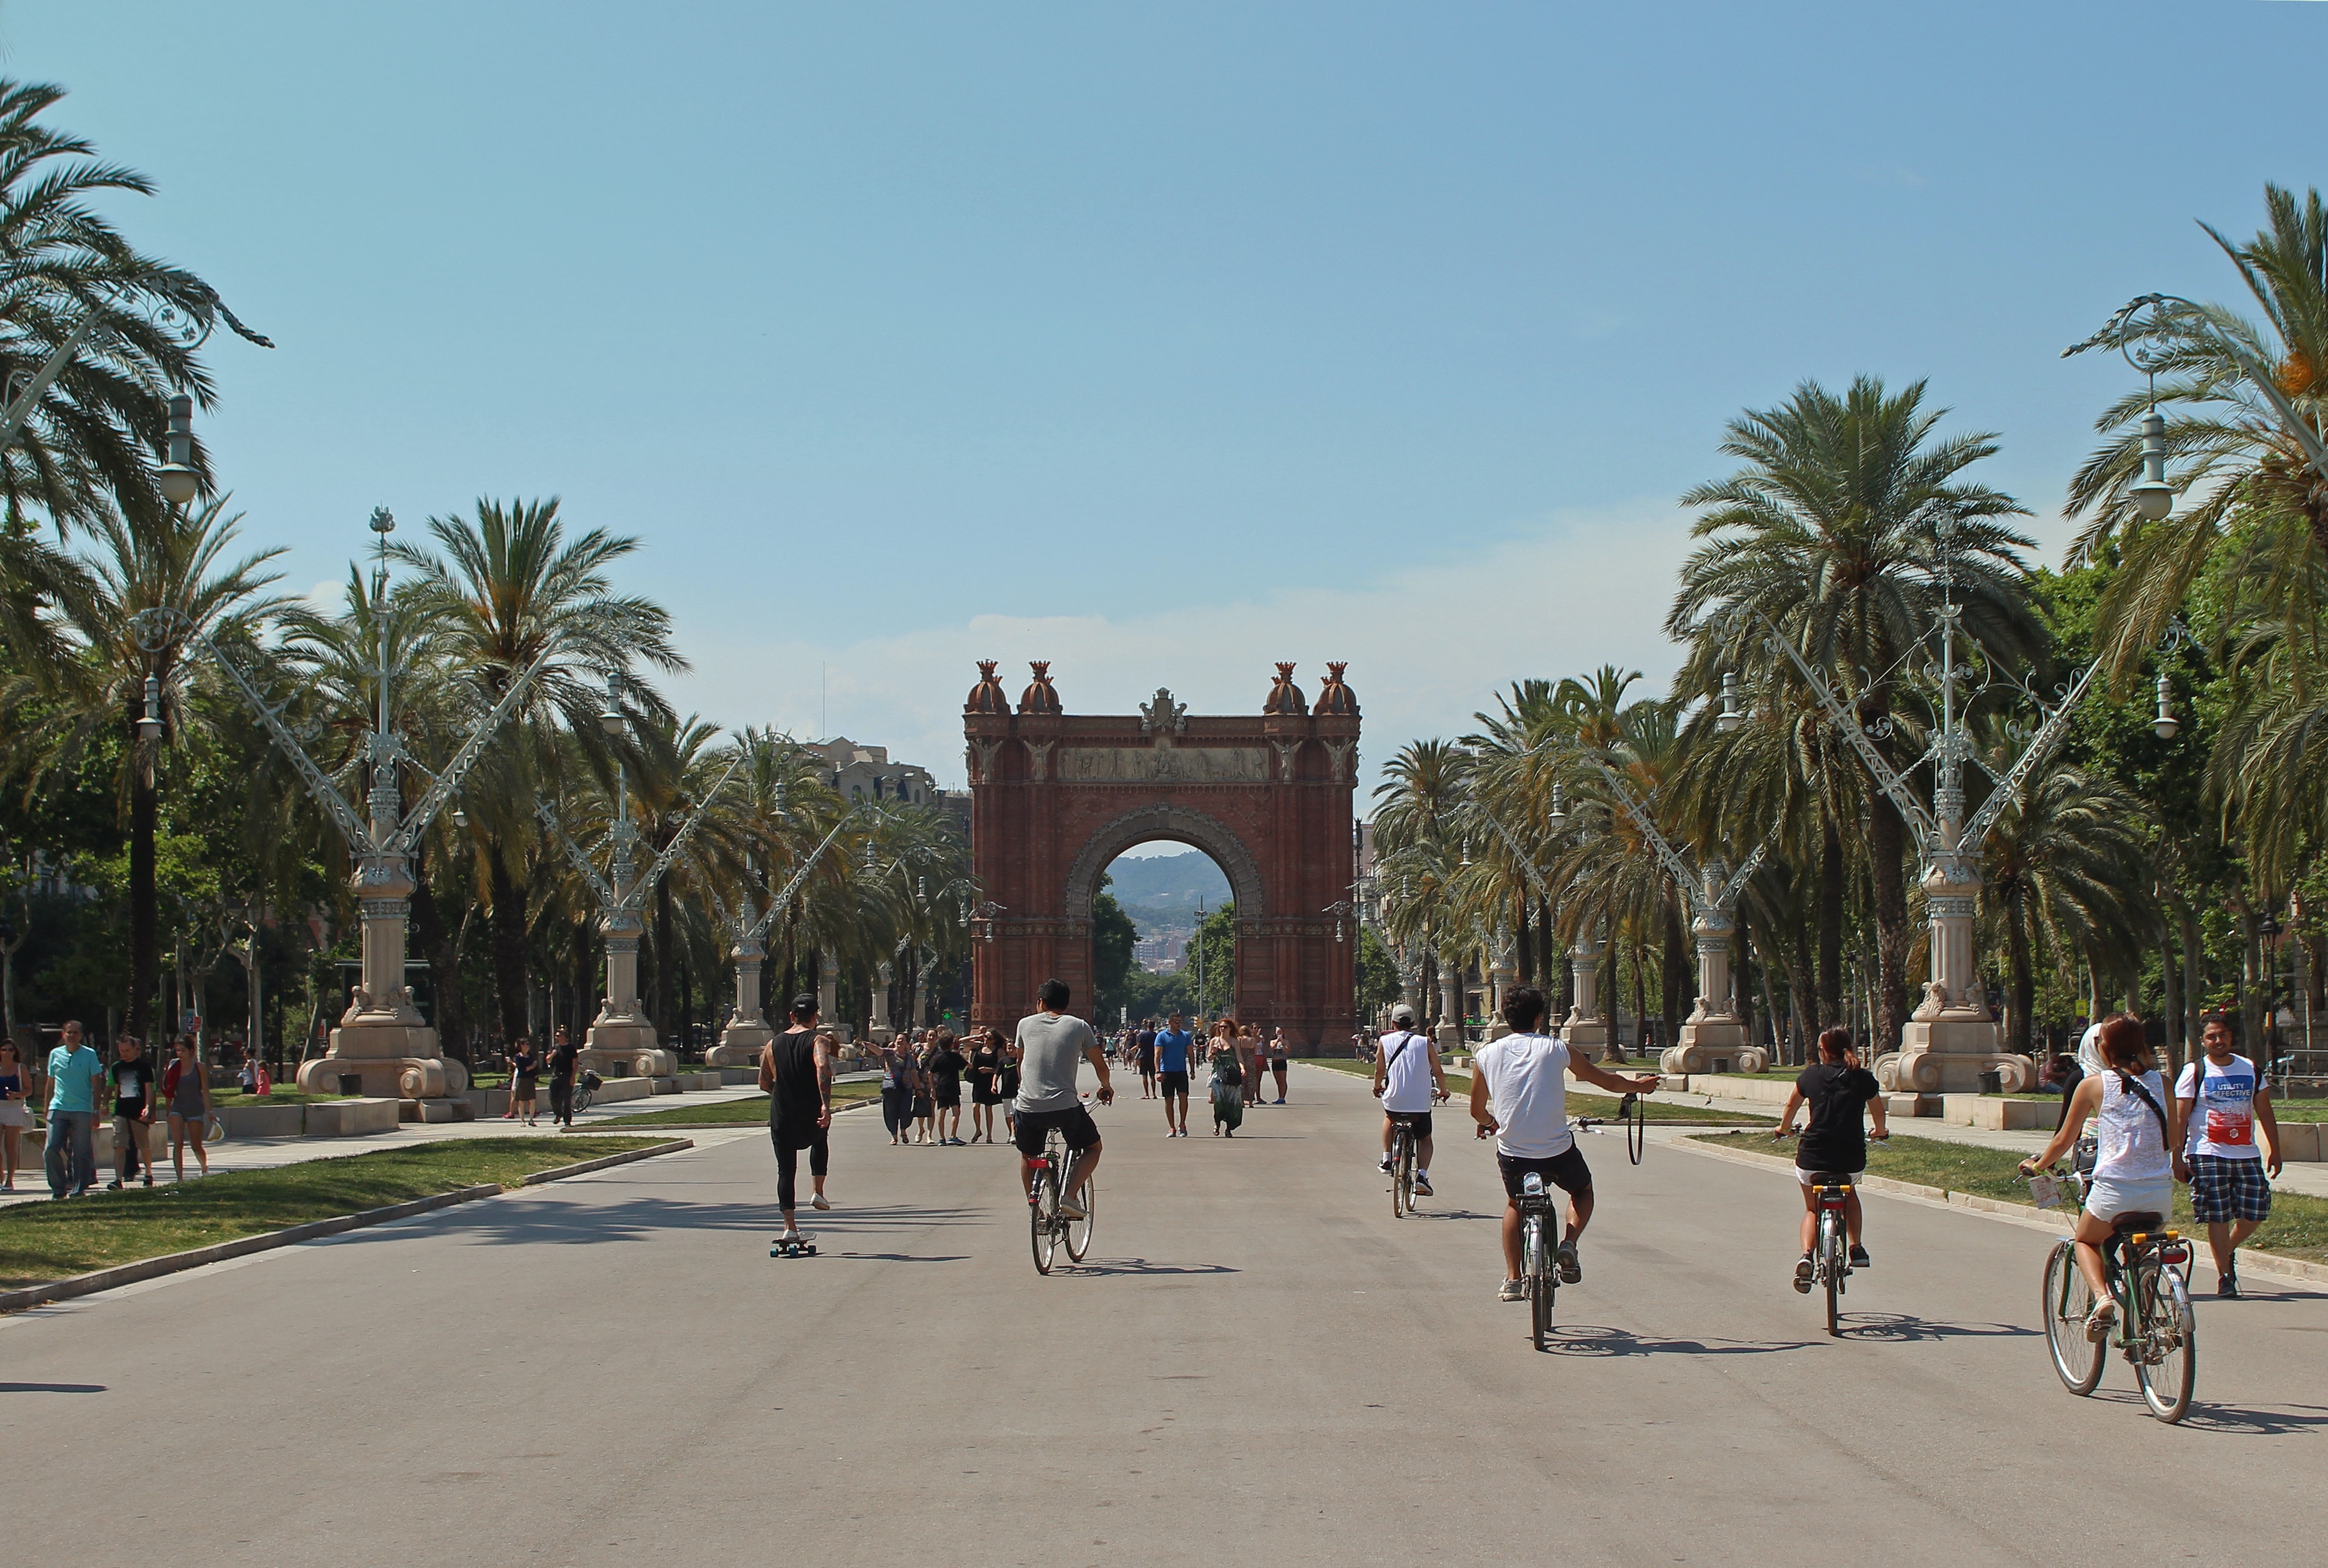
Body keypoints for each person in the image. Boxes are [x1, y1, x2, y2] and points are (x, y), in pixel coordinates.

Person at [1469, 986, 1660, 1301]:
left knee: (1515, 1204)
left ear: (1505, 1017)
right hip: (1557, 1151)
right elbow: (1607, 1081)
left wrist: (1491, 1124)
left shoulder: (1486, 1055)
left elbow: (1477, 1110)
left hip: (1514, 1153)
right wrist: (1638, 1086)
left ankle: (1513, 1279)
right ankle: (1569, 1243)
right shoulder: (1557, 1049)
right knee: (1582, 1191)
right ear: (1539, 1018)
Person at [2020, 1012, 2182, 1342]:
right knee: (2140, 1253)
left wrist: (2038, 1167)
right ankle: (2146, 1316)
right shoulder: (2163, 1083)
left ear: (2104, 1049)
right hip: (2159, 1192)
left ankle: (2103, 1298)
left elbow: (2063, 1140)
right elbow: (2175, 1138)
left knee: (2086, 1240)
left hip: (2114, 1191)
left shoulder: (2093, 1085)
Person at [1773, 1025, 1891, 1288]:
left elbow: (1792, 1106)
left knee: (1812, 1209)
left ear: (1823, 1051)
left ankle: (1807, 1256)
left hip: (1812, 1157)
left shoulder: (1810, 1076)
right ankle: (1856, 1247)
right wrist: (1880, 1132)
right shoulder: (1862, 1078)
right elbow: (1878, 1112)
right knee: (1849, 1193)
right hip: (1850, 1158)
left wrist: (1783, 1129)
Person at [2175, 1013, 2283, 1298]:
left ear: (2231, 1037)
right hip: (2207, 1152)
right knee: (2217, 1215)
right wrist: (2176, 1156)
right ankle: (2225, 1276)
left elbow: (2265, 1111)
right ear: (2203, 1041)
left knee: (2256, 1211)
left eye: (2222, 1035)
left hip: (2246, 1153)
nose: (2218, 1041)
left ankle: (2227, 1250)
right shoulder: (2194, 1072)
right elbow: (2181, 1118)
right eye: (2212, 1036)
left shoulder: (2250, 1068)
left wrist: (2275, 1149)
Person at [1010, 979, 1113, 1217]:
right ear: (1067, 1004)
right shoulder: (1079, 1026)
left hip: (1028, 1106)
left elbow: (1020, 1062)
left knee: (1028, 1155)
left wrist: (1025, 1087)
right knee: (1092, 1148)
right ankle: (1069, 1195)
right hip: (1065, 1108)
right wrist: (1105, 1087)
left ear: (1040, 1002)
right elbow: (1101, 1065)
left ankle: (1034, 1210)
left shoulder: (1024, 1024)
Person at [761, 994, 835, 1246]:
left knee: (785, 1170)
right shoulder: (818, 1040)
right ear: (815, 1017)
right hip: (809, 1112)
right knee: (820, 1140)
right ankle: (818, 1192)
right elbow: (822, 1068)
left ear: (792, 1016)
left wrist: (783, 1093)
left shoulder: (773, 1044)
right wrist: (825, 1104)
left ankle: (789, 1228)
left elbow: (763, 1082)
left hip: (782, 1115)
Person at [1373, 1003, 1447, 1196]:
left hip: (1394, 1100)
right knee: (1425, 1139)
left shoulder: (1384, 1041)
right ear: (1414, 1023)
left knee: (1390, 1118)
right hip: (1420, 1104)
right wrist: (1444, 1091)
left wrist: (1376, 1087)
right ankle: (1422, 1176)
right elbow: (1438, 1071)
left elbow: (1380, 1070)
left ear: (1393, 1023)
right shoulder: (1425, 1042)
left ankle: (1387, 1157)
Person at [44, 1019, 105, 1198]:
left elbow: (96, 1084)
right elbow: (51, 1081)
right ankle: (58, 1188)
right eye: (69, 1033)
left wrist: (96, 1111)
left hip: (82, 1109)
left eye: (75, 1033)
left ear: (81, 1036)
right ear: (63, 1035)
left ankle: (79, 1189)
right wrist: (47, 1107)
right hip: (59, 1106)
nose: (72, 1036)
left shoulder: (89, 1055)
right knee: (51, 1148)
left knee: (81, 1151)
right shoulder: (55, 1054)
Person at [105, 1035, 157, 1190]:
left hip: (138, 1111)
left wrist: (148, 1107)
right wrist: (105, 1104)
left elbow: (149, 1089)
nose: (124, 1053)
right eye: (122, 1050)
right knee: (119, 1145)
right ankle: (118, 1179)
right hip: (121, 1110)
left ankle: (148, 1173)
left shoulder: (144, 1067)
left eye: (127, 1050)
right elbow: (111, 1087)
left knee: (143, 1144)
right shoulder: (116, 1067)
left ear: (135, 1049)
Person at [162, 1034, 213, 1182]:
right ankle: (179, 1177)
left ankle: (204, 1167)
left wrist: (209, 1111)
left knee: (196, 1145)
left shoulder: (199, 1067)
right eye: (177, 1050)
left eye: (183, 1050)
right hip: (177, 1107)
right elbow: (169, 1089)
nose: (180, 1054)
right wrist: (167, 1110)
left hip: (195, 1108)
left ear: (191, 1051)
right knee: (178, 1144)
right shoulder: (173, 1066)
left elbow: (205, 1090)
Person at [1154, 1011, 1193, 1137]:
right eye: (1177, 1022)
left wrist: (1192, 1069)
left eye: (1181, 1022)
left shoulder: (1186, 1036)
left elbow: (1190, 1053)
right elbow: (1157, 1055)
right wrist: (1158, 1071)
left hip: (1181, 1071)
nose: (1179, 1024)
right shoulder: (1161, 1036)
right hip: (1167, 1072)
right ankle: (1172, 1128)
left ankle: (1182, 1124)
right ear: (1170, 1022)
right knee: (1169, 1100)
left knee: (1183, 1097)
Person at [928, 1028, 968, 1145]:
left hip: (941, 1087)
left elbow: (930, 1073)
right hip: (953, 1086)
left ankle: (942, 1138)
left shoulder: (939, 1057)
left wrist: (933, 1088)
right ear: (951, 1044)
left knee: (942, 1111)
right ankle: (953, 1136)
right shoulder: (955, 1056)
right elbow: (968, 1066)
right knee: (956, 1111)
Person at [1207, 1019, 1245, 1136]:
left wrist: (1243, 1068)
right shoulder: (1214, 1041)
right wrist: (1213, 1053)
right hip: (1218, 1074)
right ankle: (1217, 1124)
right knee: (1219, 1101)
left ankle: (1228, 1129)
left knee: (1231, 1102)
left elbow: (1239, 1057)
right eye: (1221, 1027)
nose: (1222, 1029)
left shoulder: (1234, 1041)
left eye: (1225, 1027)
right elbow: (1209, 1058)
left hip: (1232, 1074)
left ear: (1230, 1028)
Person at [0, 1038, 29, 1190]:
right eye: (4, 1049)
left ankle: (10, 1180)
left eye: (10, 1050)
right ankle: (1, 1176)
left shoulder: (20, 1068)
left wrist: (17, 1095)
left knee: (10, 1147)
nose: (7, 1053)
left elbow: (28, 1090)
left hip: (13, 1108)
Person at [966, 1029, 1004, 1143]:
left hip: (989, 1080)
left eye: (989, 1038)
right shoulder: (979, 1046)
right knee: (975, 1107)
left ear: (995, 1040)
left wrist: (988, 1070)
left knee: (988, 1108)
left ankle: (989, 1135)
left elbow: (1000, 1069)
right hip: (978, 1080)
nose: (986, 1039)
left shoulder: (999, 1050)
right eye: (986, 1037)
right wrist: (978, 1036)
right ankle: (978, 1130)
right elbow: (962, 1041)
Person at [546, 1026, 579, 1128]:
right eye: (556, 1036)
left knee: (567, 1099)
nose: (556, 1038)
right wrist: (552, 1055)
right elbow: (548, 1060)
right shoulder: (555, 1047)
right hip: (556, 1075)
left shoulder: (571, 1048)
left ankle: (567, 1121)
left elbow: (576, 1062)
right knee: (552, 1097)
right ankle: (558, 1113)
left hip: (567, 1075)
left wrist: (573, 1076)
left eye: (558, 1036)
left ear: (564, 1037)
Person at [506, 1037, 540, 1126]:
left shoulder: (531, 1056)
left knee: (532, 1100)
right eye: (527, 1044)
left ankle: (531, 1119)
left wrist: (533, 1068)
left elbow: (534, 1066)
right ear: (522, 1046)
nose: (529, 1046)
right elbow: (521, 1069)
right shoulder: (518, 1057)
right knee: (521, 1101)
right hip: (522, 1079)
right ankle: (522, 1120)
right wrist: (531, 1067)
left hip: (530, 1079)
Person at [1265, 1026, 1290, 1103]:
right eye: (1277, 1032)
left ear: (1283, 1033)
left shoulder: (1286, 1042)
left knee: (1283, 1081)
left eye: (1280, 1032)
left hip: (1282, 1062)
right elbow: (1271, 1049)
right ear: (1275, 1033)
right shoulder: (1272, 1041)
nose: (1279, 1033)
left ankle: (1283, 1098)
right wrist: (1277, 1042)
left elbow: (1287, 1051)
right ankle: (1279, 1097)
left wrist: (1282, 1043)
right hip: (1275, 1062)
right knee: (1278, 1081)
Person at [1134, 1020, 1157, 1100]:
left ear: (1147, 1026)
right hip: (1153, 1056)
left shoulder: (1143, 1034)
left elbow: (1139, 1046)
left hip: (1144, 1056)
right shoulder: (1156, 1035)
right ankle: (1154, 1094)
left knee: (1144, 1076)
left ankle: (1147, 1094)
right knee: (1152, 1076)